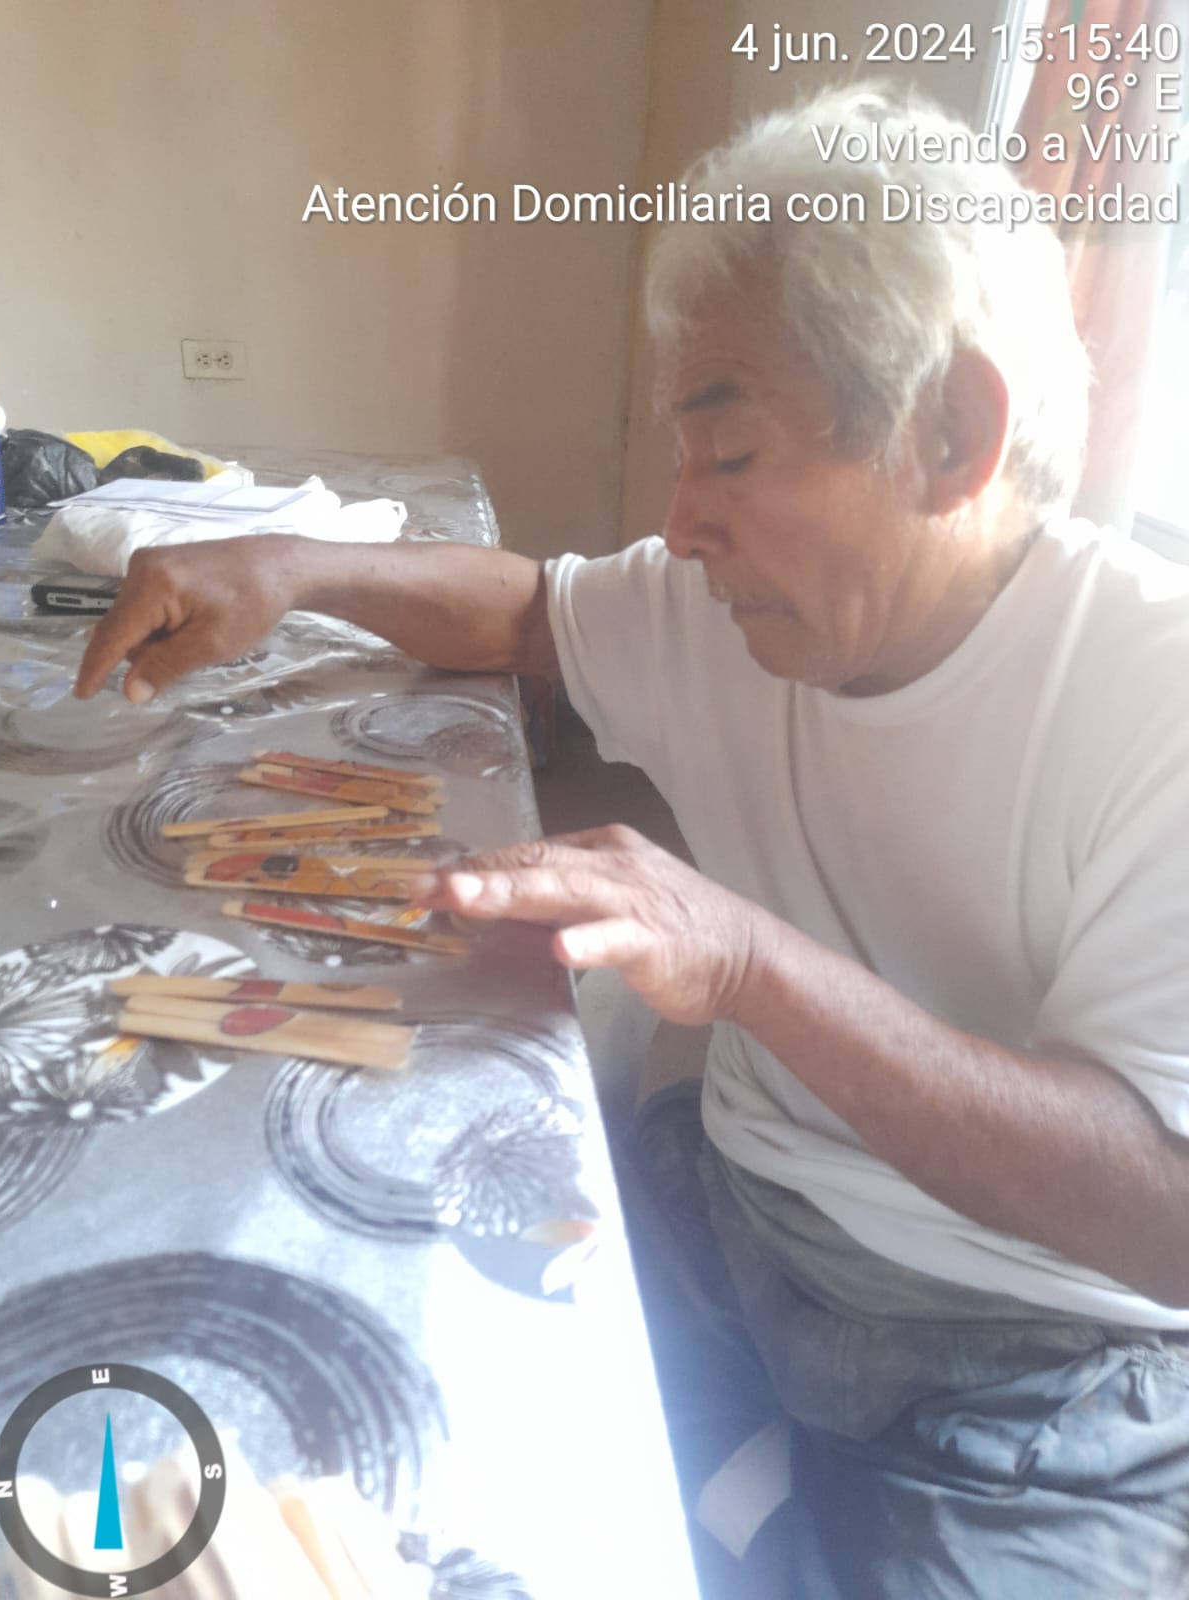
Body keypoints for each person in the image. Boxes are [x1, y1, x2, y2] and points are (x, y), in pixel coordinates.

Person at [75, 85, 1189, 1598]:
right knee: (352, 1428)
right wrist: (289, 567)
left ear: (951, 435)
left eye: (727, 455)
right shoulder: (730, 609)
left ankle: (757, 1500)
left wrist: (744, 962)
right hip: (733, 1226)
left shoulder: (1149, 699)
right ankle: (753, 1491)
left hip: (1037, 1370)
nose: (680, 517)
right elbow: (533, 608)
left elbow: (1161, 1216)